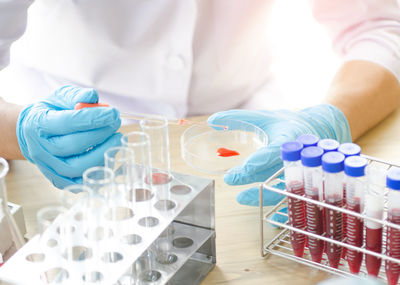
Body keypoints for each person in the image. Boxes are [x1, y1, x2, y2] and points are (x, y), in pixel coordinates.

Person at [0, 0, 400, 209]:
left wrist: (329, 119)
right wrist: (22, 130)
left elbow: (379, 27)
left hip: (245, 127)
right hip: (68, 136)